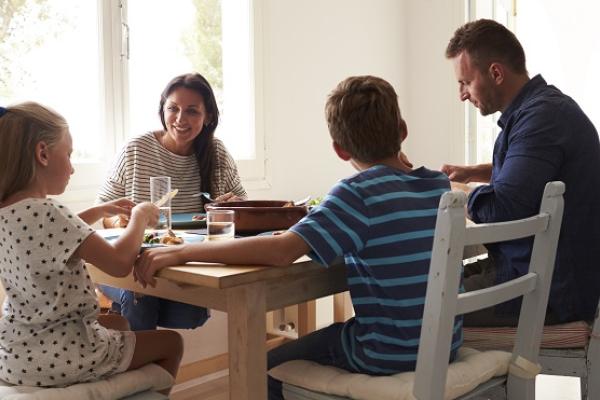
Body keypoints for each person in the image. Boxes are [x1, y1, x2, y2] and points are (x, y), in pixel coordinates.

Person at [133, 75, 463, 400]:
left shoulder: (356, 193)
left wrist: (182, 254)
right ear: (403, 132)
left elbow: (280, 252)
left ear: (338, 149)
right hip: (445, 343)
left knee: (260, 366)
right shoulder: (438, 185)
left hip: (386, 353)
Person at [0, 102, 183, 392]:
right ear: (42, 153)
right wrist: (139, 218)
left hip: (17, 352)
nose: (72, 168)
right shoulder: (49, 212)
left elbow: (48, 238)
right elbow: (120, 262)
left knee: (120, 324)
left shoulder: (11, 213)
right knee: (171, 342)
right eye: (69, 155)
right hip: (62, 355)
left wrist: (97, 212)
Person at [442, 19, 600, 326]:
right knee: (426, 286)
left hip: (553, 291)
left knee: (418, 312)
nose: (462, 94)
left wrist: (452, 196)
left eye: (465, 82)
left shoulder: (541, 119)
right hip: (538, 270)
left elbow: (504, 207)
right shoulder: (544, 109)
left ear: (496, 73)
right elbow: (531, 171)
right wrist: (472, 172)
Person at [97, 72, 247, 331]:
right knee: (140, 296)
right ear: (162, 110)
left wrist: (231, 205)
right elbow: (105, 211)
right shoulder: (137, 149)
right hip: (125, 265)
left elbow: (242, 203)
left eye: (192, 111)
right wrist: (121, 220)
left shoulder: (217, 153)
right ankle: (135, 367)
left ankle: (122, 338)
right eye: (173, 109)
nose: (180, 119)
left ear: (208, 116)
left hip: (180, 265)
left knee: (191, 316)